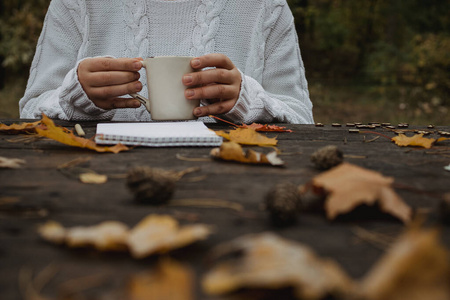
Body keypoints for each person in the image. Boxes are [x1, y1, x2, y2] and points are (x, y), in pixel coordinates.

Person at [19, 0, 314, 124]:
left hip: (234, 191)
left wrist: (251, 103)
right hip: (92, 186)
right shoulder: (76, 4)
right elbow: (29, 110)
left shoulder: (265, 6)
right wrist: (73, 98)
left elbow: (303, 119)